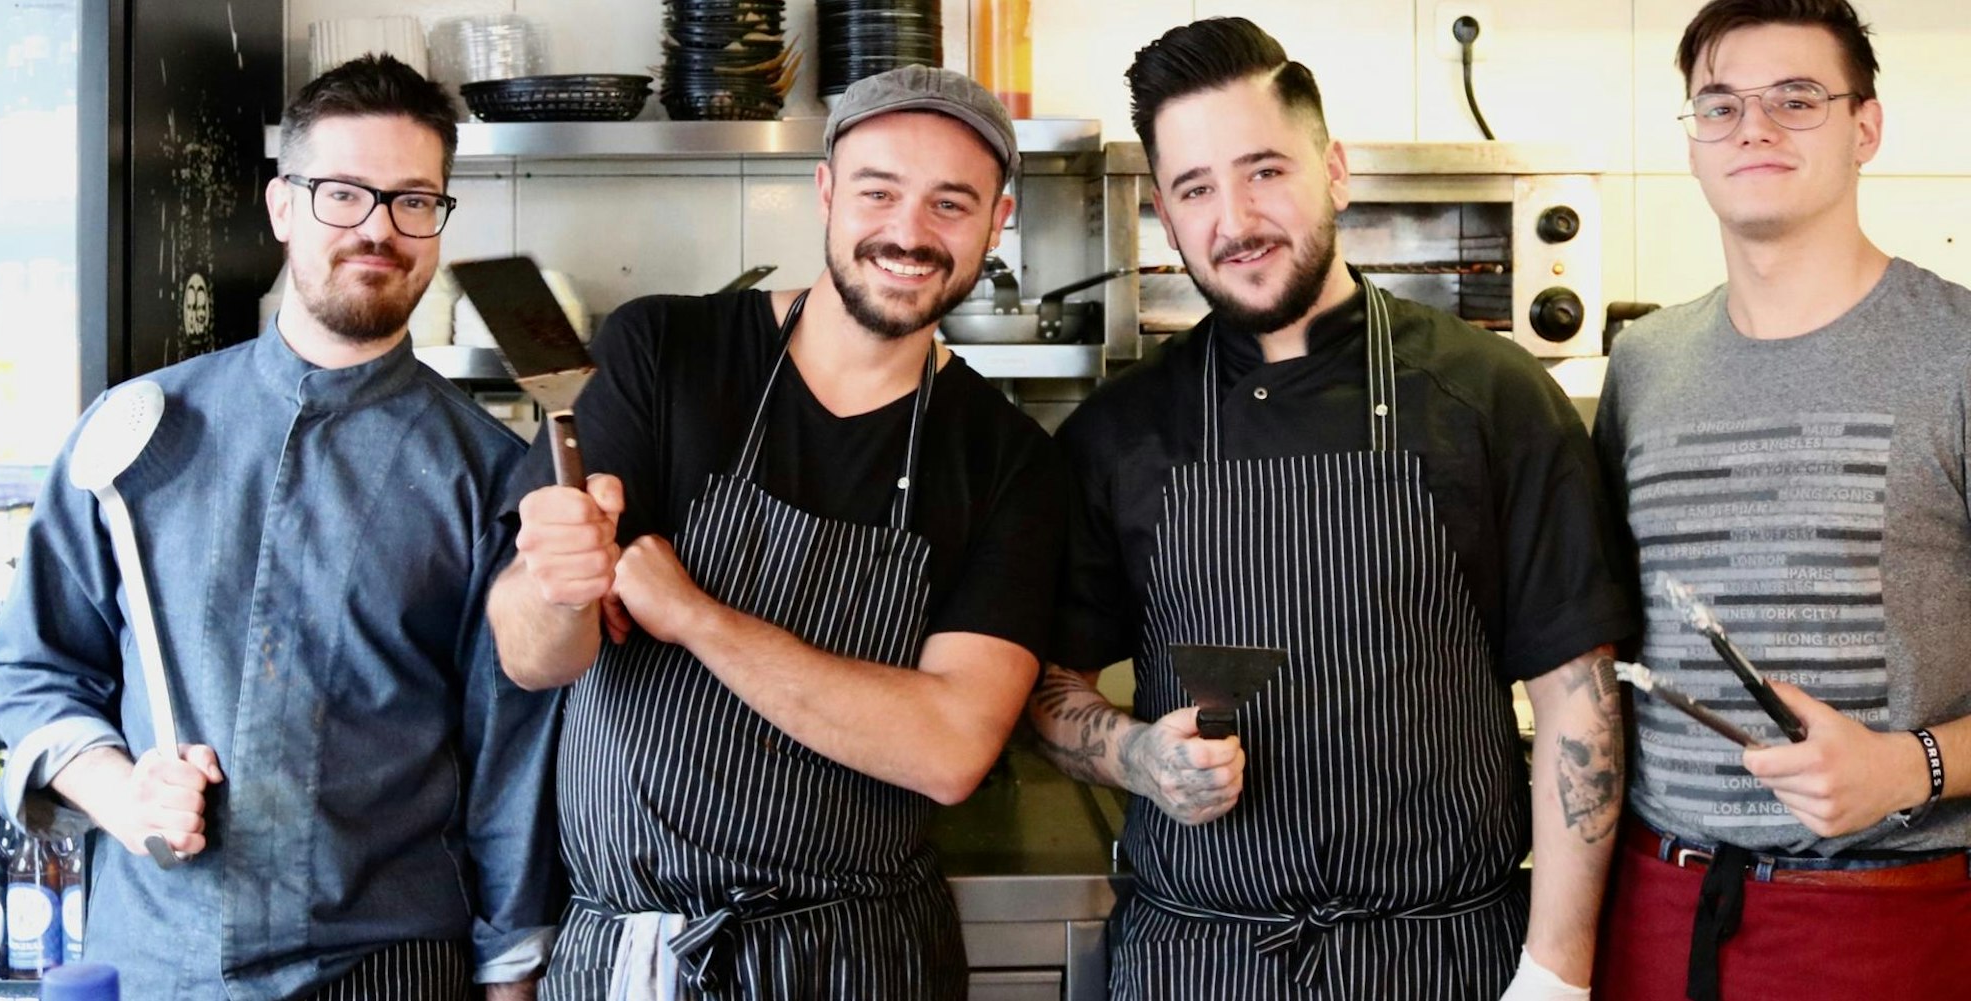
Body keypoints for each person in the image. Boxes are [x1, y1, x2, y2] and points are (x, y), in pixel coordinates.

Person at [1029, 18, 1638, 1000]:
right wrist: (1135, 753)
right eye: (1194, 189)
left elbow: (1579, 694)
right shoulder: (1119, 432)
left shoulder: (1488, 395)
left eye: (1263, 169)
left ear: (1335, 169)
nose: (1233, 217)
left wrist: (1555, 972)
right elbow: (1046, 691)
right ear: (1166, 214)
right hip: (1199, 963)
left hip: (1443, 960)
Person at [0, 55, 559, 1000]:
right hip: (156, 958)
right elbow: (35, 669)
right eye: (343, 193)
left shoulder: (488, 477)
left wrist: (509, 979)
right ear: (282, 206)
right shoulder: (135, 433)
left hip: (389, 966)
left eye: (415, 200)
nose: (378, 226)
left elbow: (511, 763)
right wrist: (120, 790)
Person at [486, 65, 1066, 1000]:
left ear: (996, 222)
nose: (909, 234)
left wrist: (694, 615)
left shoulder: (1010, 461)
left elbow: (952, 746)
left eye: (950, 204)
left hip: (860, 960)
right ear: (828, 190)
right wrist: (557, 581)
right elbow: (531, 655)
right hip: (633, 960)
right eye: (879, 191)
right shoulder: (663, 353)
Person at [1590, 2, 1971, 998]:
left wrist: (1911, 765)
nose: (1750, 127)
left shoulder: (1957, 354)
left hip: (1889, 919)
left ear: (1864, 127)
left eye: (1793, 98)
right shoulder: (1641, 366)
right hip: (1655, 909)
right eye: (1717, 105)